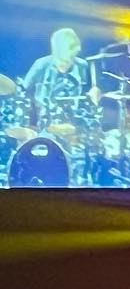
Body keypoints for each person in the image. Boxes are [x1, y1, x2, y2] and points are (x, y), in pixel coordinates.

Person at [20, 27, 102, 183]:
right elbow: (22, 92)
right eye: (70, 49)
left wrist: (95, 93)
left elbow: (90, 94)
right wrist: (29, 124)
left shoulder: (83, 66)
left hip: (74, 123)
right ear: (57, 49)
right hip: (44, 122)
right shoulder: (41, 65)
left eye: (75, 49)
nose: (75, 52)